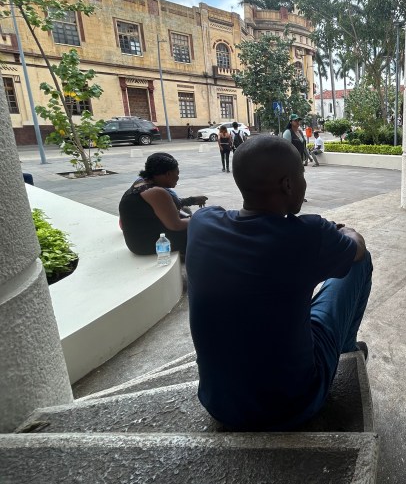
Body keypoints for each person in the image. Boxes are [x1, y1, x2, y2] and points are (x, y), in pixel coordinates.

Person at [186, 135, 372, 431]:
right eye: (302, 175)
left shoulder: (202, 223)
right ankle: (345, 351)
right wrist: (345, 231)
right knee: (359, 263)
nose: (304, 183)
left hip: (219, 404)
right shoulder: (309, 234)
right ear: (287, 184)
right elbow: (356, 248)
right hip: (293, 405)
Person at [119, 153, 206, 255]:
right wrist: (201, 219)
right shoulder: (156, 192)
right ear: (168, 174)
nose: (178, 177)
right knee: (204, 231)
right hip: (147, 244)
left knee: (186, 212)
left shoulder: (141, 182)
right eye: (177, 173)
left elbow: (167, 206)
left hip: (139, 239)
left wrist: (192, 200)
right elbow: (176, 225)